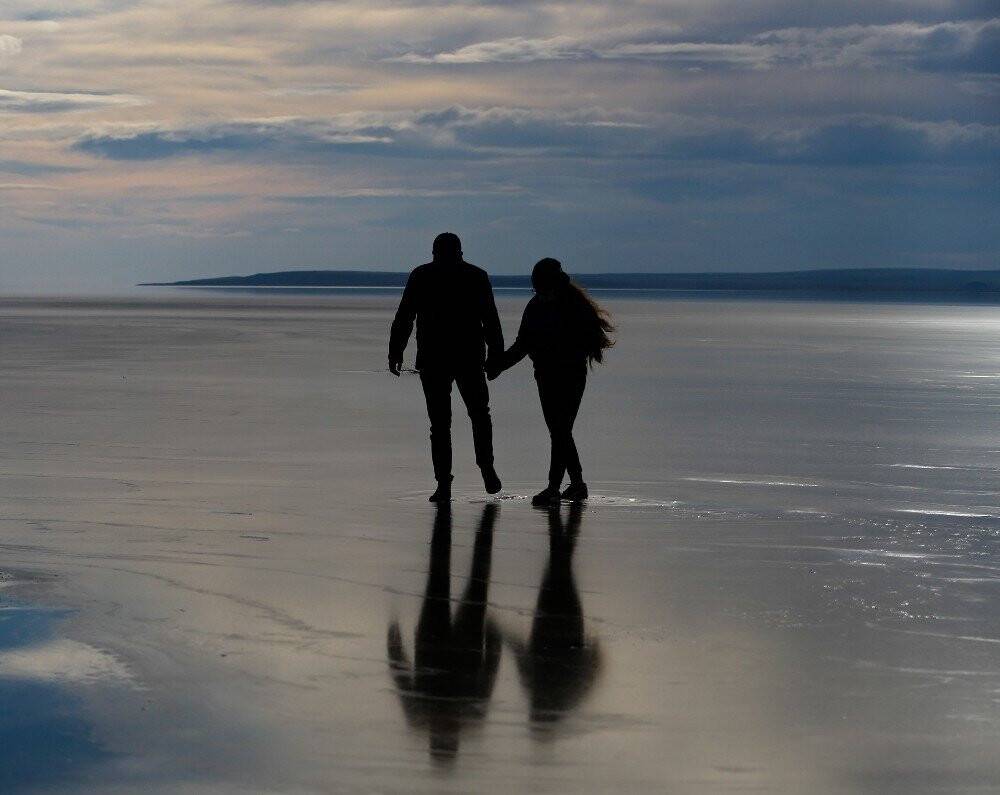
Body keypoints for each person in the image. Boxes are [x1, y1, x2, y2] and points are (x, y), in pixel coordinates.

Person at [488, 258, 614, 506]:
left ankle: (561, 486)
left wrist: (499, 365)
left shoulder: (570, 306)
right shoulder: (541, 305)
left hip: (568, 376)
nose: (537, 291)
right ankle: (573, 485)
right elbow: (523, 344)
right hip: (549, 376)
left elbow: (524, 345)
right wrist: (499, 365)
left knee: (559, 430)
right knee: (560, 430)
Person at [389, 233, 504, 502]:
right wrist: (496, 356)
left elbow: (405, 316)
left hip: (436, 358)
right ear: (460, 251)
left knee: (441, 425)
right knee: (478, 414)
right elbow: (491, 320)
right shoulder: (475, 275)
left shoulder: (422, 275)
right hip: (465, 356)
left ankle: (445, 483)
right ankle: (482, 468)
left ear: (434, 252)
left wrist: (396, 351)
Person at [386, 504, 501, 764]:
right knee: (472, 580)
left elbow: (401, 675)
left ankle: (456, 520)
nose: (445, 729)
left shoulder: (421, 715)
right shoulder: (469, 715)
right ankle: (481, 523)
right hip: (463, 643)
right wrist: (493, 639)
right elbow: (489, 673)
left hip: (433, 640)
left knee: (443, 577)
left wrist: (393, 642)